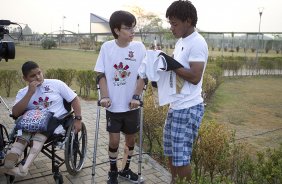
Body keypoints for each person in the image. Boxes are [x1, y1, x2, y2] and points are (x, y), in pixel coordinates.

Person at [2, 61, 82, 177]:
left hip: (55, 120)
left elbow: (74, 99)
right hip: (31, 122)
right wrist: (30, 93)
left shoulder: (56, 84)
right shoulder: (22, 92)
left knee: (41, 130)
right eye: (33, 76)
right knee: (23, 131)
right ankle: (10, 160)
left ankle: (24, 167)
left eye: (39, 73)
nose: (38, 77)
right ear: (25, 78)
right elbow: (15, 113)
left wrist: (78, 119)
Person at [94, 10, 146, 184]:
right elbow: (101, 75)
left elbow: (142, 76)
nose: (132, 32)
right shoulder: (107, 47)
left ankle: (125, 169)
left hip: (131, 105)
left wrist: (136, 96)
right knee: (114, 140)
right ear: (117, 30)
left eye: (133, 28)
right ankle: (113, 171)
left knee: (130, 139)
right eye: (128, 28)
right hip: (113, 105)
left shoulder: (139, 48)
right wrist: (105, 97)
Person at [163, 1, 208, 183]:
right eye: (170, 24)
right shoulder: (181, 41)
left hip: (189, 108)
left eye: (174, 24)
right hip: (176, 105)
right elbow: (177, 72)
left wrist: (170, 64)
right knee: (170, 152)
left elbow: (195, 76)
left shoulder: (197, 42)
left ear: (188, 21)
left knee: (181, 158)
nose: (171, 28)